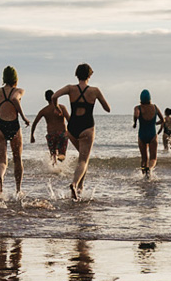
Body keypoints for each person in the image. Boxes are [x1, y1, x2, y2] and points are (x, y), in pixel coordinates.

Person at [51, 64, 111, 199]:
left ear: (77, 74)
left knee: (83, 159)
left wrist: (57, 108)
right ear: (90, 75)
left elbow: (54, 96)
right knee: (83, 160)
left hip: (72, 128)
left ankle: (79, 190)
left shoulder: (70, 88)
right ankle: (74, 183)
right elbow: (107, 108)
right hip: (87, 127)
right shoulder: (94, 91)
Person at [0, 66, 28, 196]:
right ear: (15, 78)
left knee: (2, 161)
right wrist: (23, 117)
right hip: (14, 125)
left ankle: (1, 176)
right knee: (17, 159)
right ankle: (18, 189)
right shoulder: (19, 90)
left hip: (0, 126)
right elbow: (14, 98)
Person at [32, 89, 69, 163]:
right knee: (62, 154)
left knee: (53, 155)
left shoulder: (44, 110)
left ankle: (54, 168)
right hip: (62, 133)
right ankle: (61, 169)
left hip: (51, 135)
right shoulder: (61, 107)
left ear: (45, 99)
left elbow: (35, 122)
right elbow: (69, 120)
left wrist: (32, 135)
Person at [132, 91, 162, 176]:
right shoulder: (155, 107)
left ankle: (144, 174)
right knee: (153, 158)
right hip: (152, 134)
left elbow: (136, 115)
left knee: (144, 159)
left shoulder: (138, 108)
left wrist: (135, 123)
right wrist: (155, 123)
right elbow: (163, 120)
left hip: (142, 135)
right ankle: (149, 168)